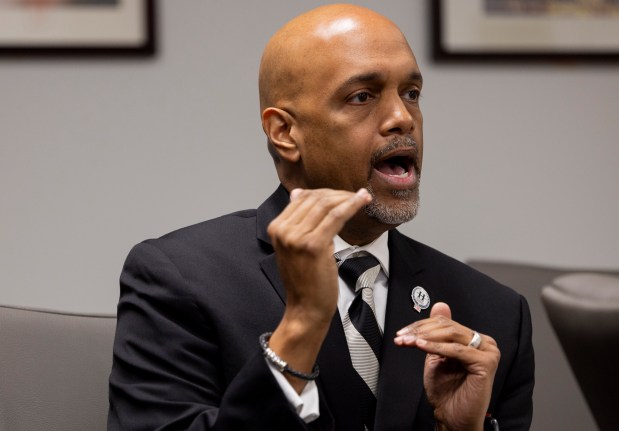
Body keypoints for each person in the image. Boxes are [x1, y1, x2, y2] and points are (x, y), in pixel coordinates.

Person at [108, 4, 534, 431]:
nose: (402, 118)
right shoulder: (179, 280)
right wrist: (300, 327)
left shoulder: (494, 314)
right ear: (285, 133)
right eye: (362, 97)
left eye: (411, 93)